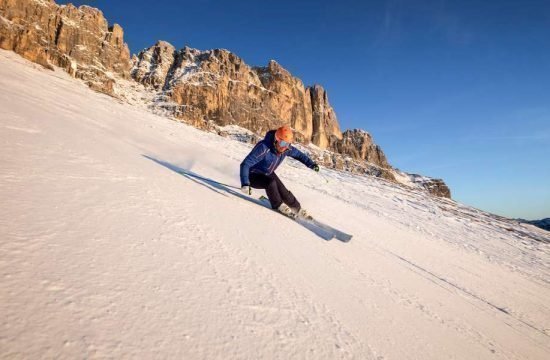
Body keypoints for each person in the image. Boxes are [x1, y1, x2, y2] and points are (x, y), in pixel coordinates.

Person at [240, 125, 320, 218]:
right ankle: (278, 205)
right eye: (282, 143)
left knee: (284, 191)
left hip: (267, 173)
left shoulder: (286, 148)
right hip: (252, 175)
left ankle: (297, 208)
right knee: (271, 183)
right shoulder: (264, 147)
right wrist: (245, 183)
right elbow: (245, 164)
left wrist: (311, 164)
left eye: (287, 144)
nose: (284, 147)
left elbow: (299, 155)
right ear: (276, 140)